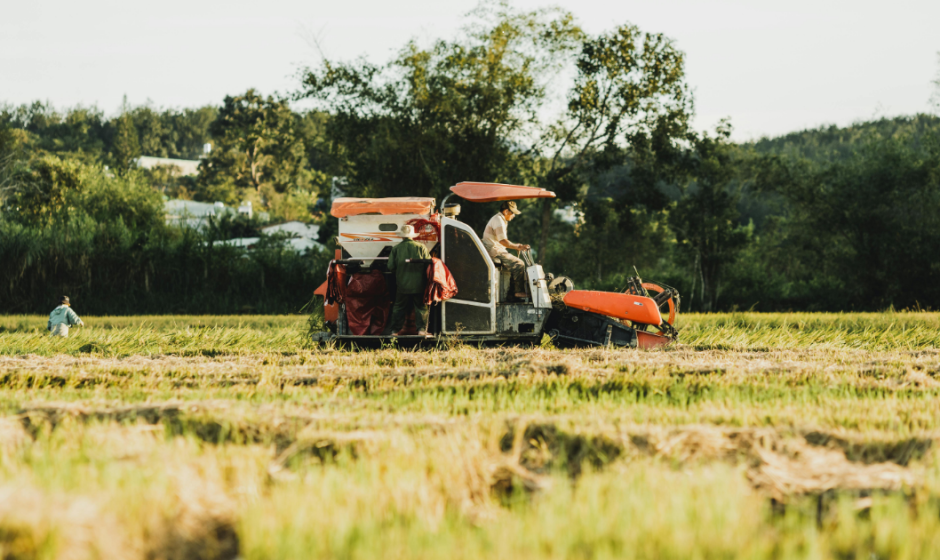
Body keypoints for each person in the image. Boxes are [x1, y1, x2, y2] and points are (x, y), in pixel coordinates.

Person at [383, 225, 432, 336]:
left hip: (402, 284)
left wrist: (400, 273)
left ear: (402, 237)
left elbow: (391, 267)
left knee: (399, 307)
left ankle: (394, 331)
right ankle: (421, 330)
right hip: (419, 284)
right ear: (413, 236)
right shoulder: (421, 247)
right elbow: (429, 266)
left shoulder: (396, 249)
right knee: (421, 307)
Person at [482, 200, 530, 299]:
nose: (514, 216)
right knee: (519, 264)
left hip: (496, 249)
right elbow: (503, 241)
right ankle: (517, 292)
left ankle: (510, 294)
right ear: (506, 211)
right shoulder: (498, 220)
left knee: (515, 263)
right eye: (512, 213)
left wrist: (517, 246)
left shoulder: (499, 219)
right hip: (493, 251)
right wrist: (518, 247)